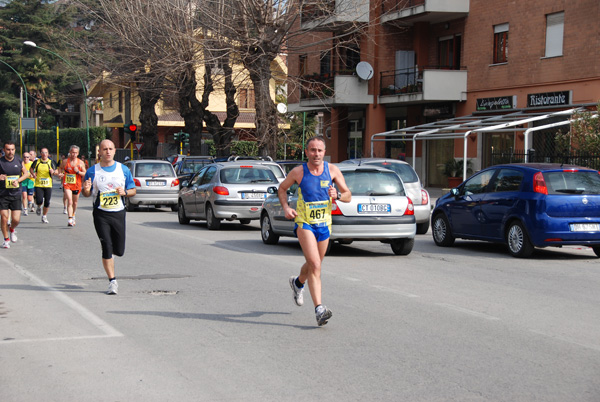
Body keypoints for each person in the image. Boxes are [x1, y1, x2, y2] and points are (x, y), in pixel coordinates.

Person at [277, 136, 351, 326]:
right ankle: (319, 309)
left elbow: (348, 195)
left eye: (319, 150)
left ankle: (298, 283)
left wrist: (339, 195)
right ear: (307, 152)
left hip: (324, 224)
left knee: (313, 265)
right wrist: (286, 208)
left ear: (324, 152)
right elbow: (282, 189)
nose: (316, 154)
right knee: (316, 265)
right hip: (305, 223)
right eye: (312, 150)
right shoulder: (298, 172)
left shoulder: (332, 170)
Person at [82, 139, 136, 295]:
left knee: (119, 250)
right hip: (101, 214)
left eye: (110, 148)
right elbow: (86, 194)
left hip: (118, 212)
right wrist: (86, 189)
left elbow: (133, 190)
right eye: (104, 149)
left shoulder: (123, 170)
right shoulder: (93, 171)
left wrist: (124, 192)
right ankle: (112, 281)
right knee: (106, 246)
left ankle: (112, 256)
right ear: (99, 152)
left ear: (114, 151)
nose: (107, 151)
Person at [0, 141, 30, 249]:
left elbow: (26, 174)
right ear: (4, 150)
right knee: (4, 217)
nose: (10, 152)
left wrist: (18, 180)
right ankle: (6, 239)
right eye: (8, 149)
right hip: (3, 194)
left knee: (16, 219)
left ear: (14, 150)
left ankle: (12, 229)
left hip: (16, 193)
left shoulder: (18, 160)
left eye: (12, 149)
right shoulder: (0, 162)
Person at [30, 148, 62, 224]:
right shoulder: (36, 162)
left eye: (46, 153)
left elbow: (56, 171)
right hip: (39, 184)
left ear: (48, 154)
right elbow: (31, 169)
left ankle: (44, 216)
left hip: (48, 185)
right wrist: (33, 174)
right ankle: (38, 206)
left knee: (47, 202)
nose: (44, 154)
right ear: (40, 154)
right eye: (43, 153)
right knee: (39, 200)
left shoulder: (51, 162)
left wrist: (53, 172)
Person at [60, 145, 86, 227]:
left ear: (78, 153)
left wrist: (78, 171)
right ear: (70, 152)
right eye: (72, 152)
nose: (73, 154)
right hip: (67, 184)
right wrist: (60, 173)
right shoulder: (65, 161)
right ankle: (70, 218)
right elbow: (60, 168)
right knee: (70, 201)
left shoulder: (81, 163)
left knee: (75, 202)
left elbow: (85, 173)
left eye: (75, 153)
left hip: (77, 185)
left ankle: (73, 214)